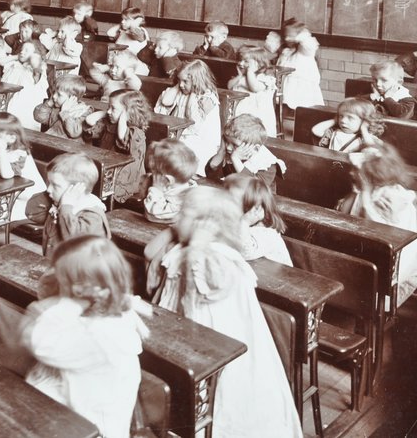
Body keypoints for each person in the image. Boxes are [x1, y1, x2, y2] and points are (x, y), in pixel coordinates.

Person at [152, 187, 304, 438]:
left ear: (206, 223)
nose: (178, 218)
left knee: (226, 400)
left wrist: (197, 247)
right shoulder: (189, 248)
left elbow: (212, 287)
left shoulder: (218, 256)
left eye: (185, 214)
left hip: (217, 341)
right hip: (187, 333)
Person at [23, 236, 145, 438]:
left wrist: (69, 304)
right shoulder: (100, 314)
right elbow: (46, 293)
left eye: (61, 282)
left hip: (92, 430)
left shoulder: (101, 335)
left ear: (81, 292)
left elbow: (38, 342)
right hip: (71, 409)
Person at [340, 143, 417, 307]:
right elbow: (344, 212)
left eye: (356, 170)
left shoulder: (394, 196)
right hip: (372, 249)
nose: (350, 173)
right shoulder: (370, 190)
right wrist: (359, 192)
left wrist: (364, 194)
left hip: (395, 258)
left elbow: (379, 231)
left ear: (373, 174)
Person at [25, 153, 109, 256]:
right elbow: (31, 211)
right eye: (49, 183)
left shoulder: (92, 216)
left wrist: (66, 206)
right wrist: (50, 195)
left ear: (77, 189)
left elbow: (73, 240)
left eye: (55, 185)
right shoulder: (57, 205)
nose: (48, 189)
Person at [0, 111, 46, 221]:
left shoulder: (17, 154)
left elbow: (6, 175)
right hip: (7, 196)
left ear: (10, 138)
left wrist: (1, 150)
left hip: (30, 203)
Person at [153, 59, 221, 176]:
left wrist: (192, 93)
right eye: (179, 80)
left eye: (185, 81)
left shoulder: (207, 99)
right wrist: (178, 86)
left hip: (201, 140)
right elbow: (165, 101)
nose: (181, 84)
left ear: (197, 82)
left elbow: (193, 122)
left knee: (176, 153)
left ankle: (180, 176)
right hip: (183, 135)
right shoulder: (181, 91)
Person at [85, 89, 150, 203]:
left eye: (113, 108)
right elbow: (89, 121)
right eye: (108, 107)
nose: (109, 111)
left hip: (126, 175)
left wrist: (124, 115)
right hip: (108, 166)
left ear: (128, 113)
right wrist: (107, 112)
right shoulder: (110, 124)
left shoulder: (135, 133)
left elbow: (121, 136)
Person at [224, 174, 292, 266]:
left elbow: (245, 252)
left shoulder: (268, 233)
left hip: (281, 274)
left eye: (234, 203)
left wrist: (244, 222)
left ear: (256, 211)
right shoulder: (241, 224)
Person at [207, 114, 286, 189]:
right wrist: (221, 152)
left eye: (235, 145)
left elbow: (254, 188)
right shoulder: (229, 154)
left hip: (257, 197)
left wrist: (236, 159)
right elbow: (211, 177)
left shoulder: (267, 164)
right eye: (227, 141)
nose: (228, 147)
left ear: (255, 149)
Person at [143, 138, 199, 224]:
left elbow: (152, 215)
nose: (151, 174)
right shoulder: (179, 185)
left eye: (154, 172)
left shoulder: (179, 201)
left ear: (167, 180)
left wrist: (156, 190)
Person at [229, 45, 278, 137]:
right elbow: (229, 86)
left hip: (257, 115)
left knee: (254, 135)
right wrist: (240, 76)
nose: (241, 63)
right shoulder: (241, 77)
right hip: (241, 113)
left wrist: (250, 71)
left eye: (246, 61)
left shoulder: (265, 78)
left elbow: (254, 88)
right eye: (240, 60)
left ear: (259, 64)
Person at [276, 18, 324, 109]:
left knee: (302, 110)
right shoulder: (286, 52)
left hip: (302, 91)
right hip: (286, 88)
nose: (287, 39)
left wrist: (299, 35)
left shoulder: (304, 51)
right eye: (285, 36)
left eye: (290, 36)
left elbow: (309, 44)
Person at [1, 40, 49, 130]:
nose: (22, 52)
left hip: (26, 103)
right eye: (21, 49)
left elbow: (37, 75)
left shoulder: (37, 67)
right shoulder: (15, 65)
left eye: (26, 50)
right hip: (10, 99)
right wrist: (16, 56)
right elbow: (1, 61)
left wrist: (36, 64)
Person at [311, 97, 384, 153]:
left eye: (350, 118)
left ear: (364, 121)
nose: (343, 120)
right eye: (341, 116)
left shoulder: (366, 138)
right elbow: (315, 130)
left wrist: (364, 129)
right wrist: (335, 120)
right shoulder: (333, 132)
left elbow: (373, 148)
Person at [33, 74, 92, 140]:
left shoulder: (82, 110)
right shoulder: (56, 106)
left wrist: (64, 113)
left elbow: (74, 133)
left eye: (59, 94)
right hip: (50, 141)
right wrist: (48, 104)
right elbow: (39, 118)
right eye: (54, 92)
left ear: (72, 98)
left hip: (68, 146)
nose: (54, 96)